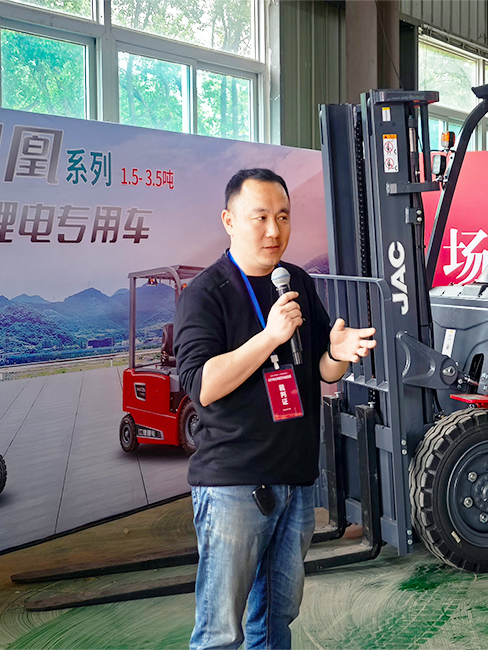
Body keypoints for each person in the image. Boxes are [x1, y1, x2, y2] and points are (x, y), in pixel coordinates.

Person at [174, 168, 376, 650]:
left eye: (283, 217)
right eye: (260, 217)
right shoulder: (205, 294)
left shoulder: (296, 281)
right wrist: (269, 337)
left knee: (275, 622)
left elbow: (321, 371)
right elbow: (202, 386)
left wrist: (339, 354)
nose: (274, 230)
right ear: (229, 220)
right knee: (221, 631)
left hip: (296, 481)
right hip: (234, 485)